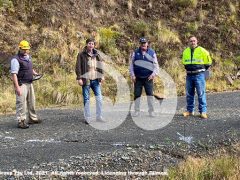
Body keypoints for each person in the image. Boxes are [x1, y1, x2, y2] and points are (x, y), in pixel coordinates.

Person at [10, 40, 41, 129]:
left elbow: (30, 68)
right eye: (24, 49)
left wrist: (35, 73)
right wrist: (17, 87)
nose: (25, 51)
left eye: (27, 49)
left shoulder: (28, 57)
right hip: (21, 84)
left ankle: (33, 118)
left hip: (30, 82)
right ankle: (21, 121)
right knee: (21, 103)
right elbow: (14, 74)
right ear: (19, 48)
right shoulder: (15, 60)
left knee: (32, 102)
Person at [182, 36, 212, 119]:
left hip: (199, 75)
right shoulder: (185, 51)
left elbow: (208, 62)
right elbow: (184, 62)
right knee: (189, 94)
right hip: (189, 75)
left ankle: (203, 112)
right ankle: (190, 111)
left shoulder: (202, 50)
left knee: (201, 94)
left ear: (197, 41)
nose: (192, 42)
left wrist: (203, 72)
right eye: (191, 41)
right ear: (188, 42)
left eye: (194, 41)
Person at [75, 38, 104, 124]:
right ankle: (87, 117)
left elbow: (100, 66)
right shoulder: (81, 54)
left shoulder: (97, 54)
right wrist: (79, 78)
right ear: (87, 44)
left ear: (94, 45)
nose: (91, 45)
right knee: (86, 99)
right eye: (89, 43)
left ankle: (99, 116)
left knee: (99, 99)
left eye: (92, 44)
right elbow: (78, 67)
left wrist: (101, 76)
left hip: (95, 79)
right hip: (86, 80)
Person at [129, 37, 159, 117]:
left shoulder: (152, 53)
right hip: (137, 78)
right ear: (140, 44)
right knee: (137, 94)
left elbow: (156, 66)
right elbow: (131, 65)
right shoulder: (135, 53)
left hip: (148, 78)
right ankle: (136, 111)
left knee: (150, 95)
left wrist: (153, 75)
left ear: (147, 43)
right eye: (142, 43)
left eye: (144, 43)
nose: (143, 45)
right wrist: (132, 75)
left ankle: (151, 111)